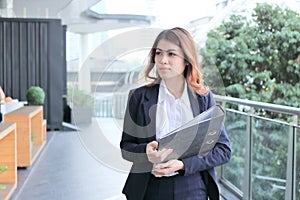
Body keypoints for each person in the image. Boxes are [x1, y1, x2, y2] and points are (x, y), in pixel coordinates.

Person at [120, 27, 231, 200]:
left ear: (187, 59)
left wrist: (182, 164)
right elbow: (126, 148)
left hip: (192, 186)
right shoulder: (139, 97)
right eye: (159, 53)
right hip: (149, 188)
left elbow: (223, 150)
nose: (163, 60)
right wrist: (146, 152)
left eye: (171, 54)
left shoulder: (203, 98)